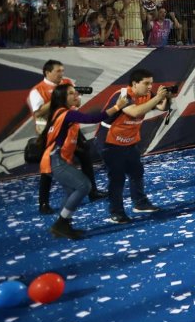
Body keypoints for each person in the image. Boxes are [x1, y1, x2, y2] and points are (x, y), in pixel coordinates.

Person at [42, 85, 128, 239]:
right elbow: (93, 119)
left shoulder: (58, 113)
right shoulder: (67, 114)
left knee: (70, 192)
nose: (75, 95)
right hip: (57, 160)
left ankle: (64, 226)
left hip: (55, 159)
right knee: (84, 186)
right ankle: (61, 223)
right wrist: (117, 107)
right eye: (70, 93)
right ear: (62, 98)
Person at [29, 60, 105, 214]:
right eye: (58, 71)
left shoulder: (67, 83)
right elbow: (38, 113)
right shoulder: (37, 90)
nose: (62, 74)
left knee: (85, 155)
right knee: (48, 167)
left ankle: (92, 191)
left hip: (70, 126)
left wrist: (75, 98)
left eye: (62, 71)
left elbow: (76, 104)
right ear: (47, 72)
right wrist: (58, 99)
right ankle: (43, 203)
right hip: (52, 130)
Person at [98, 70, 171, 224]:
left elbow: (162, 107)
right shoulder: (123, 95)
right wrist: (157, 97)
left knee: (137, 172)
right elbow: (135, 112)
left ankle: (140, 203)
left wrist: (166, 98)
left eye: (151, 83)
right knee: (117, 178)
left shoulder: (147, 95)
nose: (150, 86)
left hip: (130, 141)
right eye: (146, 83)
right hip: (110, 141)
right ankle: (116, 212)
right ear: (134, 84)